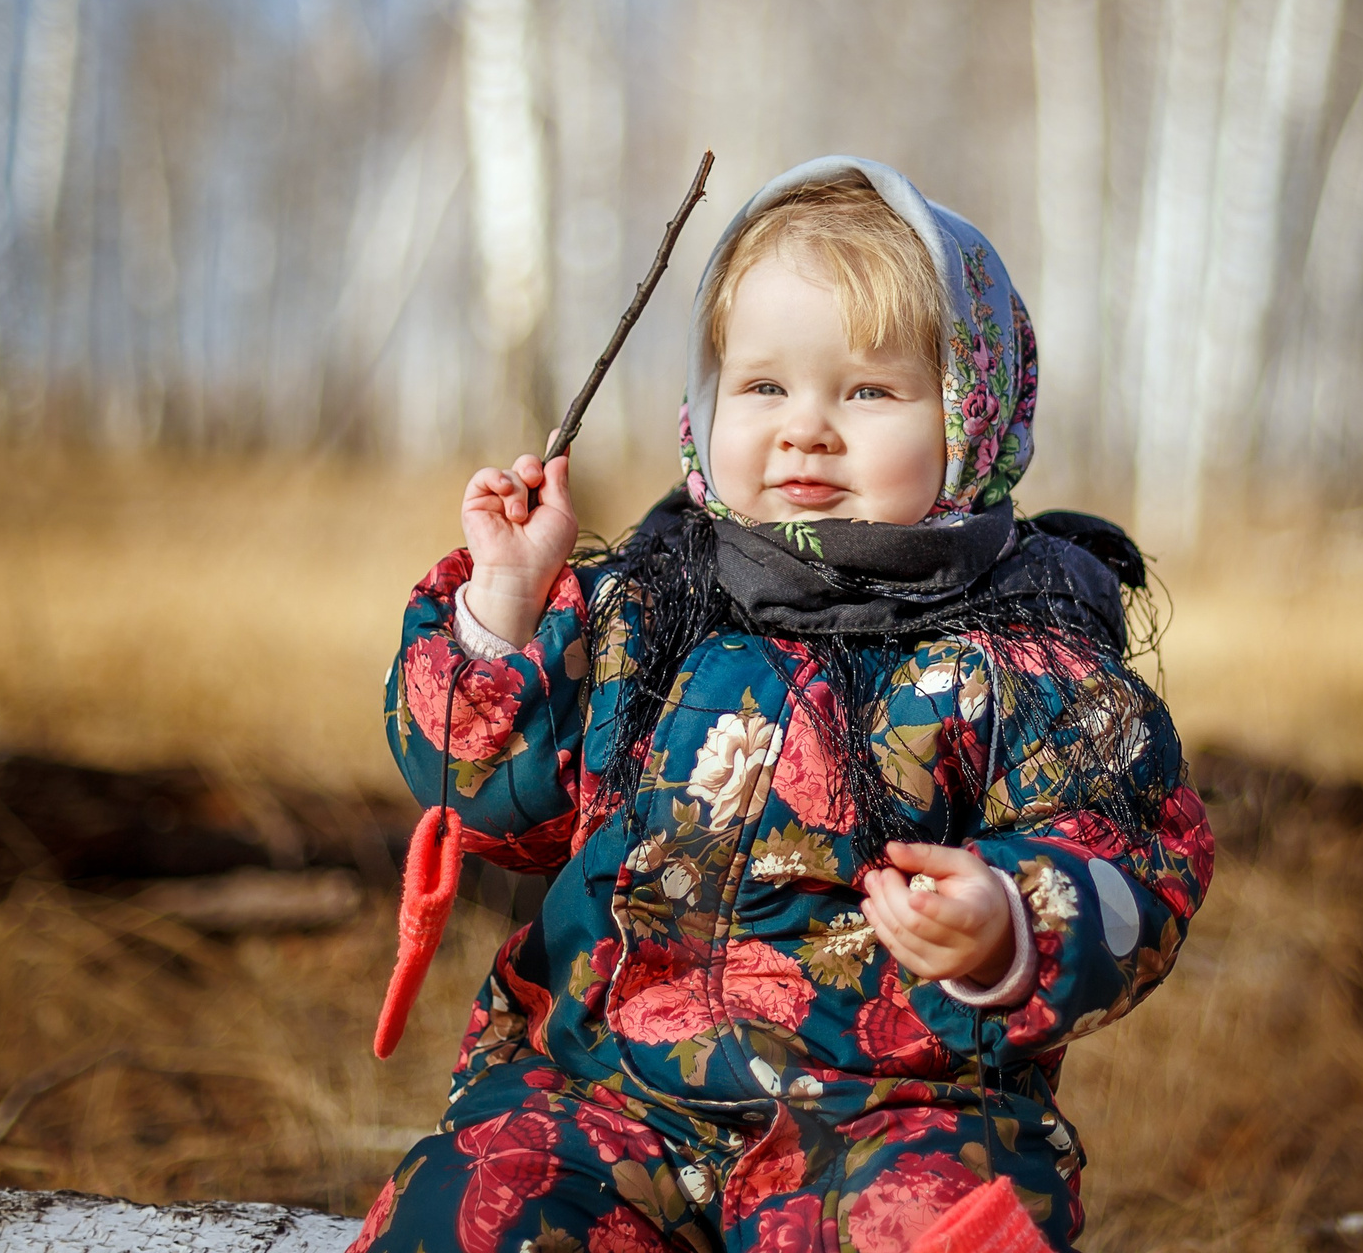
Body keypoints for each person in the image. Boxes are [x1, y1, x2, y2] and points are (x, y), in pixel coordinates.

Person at [351, 157, 1215, 1253]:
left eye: (866, 391)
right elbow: (490, 808)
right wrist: (505, 610)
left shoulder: (1023, 652)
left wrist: (1007, 923)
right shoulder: (647, 607)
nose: (806, 427)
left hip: (891, 1114)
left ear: (972, 417)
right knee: (472, 1212)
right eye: (763, 388)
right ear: (708, 403)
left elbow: (1135, 853)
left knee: (944, 1227)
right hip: (597, 1094)